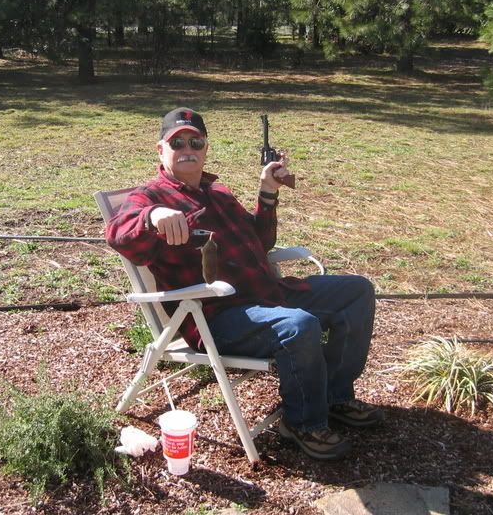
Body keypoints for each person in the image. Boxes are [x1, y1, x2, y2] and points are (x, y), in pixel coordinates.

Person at [106, 107, 381, 461]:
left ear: (205, 148)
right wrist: (153, 216)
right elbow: (118, 233)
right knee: (298, 326)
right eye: (177, 143)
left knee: (357, 292)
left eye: (195, 142)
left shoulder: (217, 191)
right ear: (161, 150)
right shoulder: (150, 196)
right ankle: (302, 423)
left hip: (270, 295)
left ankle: (335, 397)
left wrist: (267, 191)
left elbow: (260, 241)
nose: (187, 148)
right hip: (219, 317)